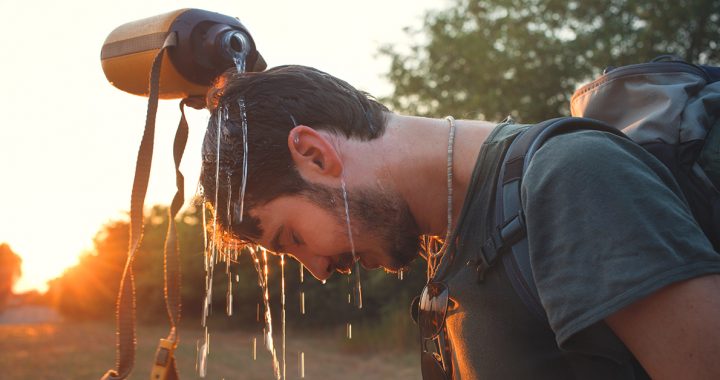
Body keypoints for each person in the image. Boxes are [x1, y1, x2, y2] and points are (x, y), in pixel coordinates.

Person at [199, 65, 720, 379]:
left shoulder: (570, 177)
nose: (316, 270)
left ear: (314, 154)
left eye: (292, 237)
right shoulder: (450, 245)